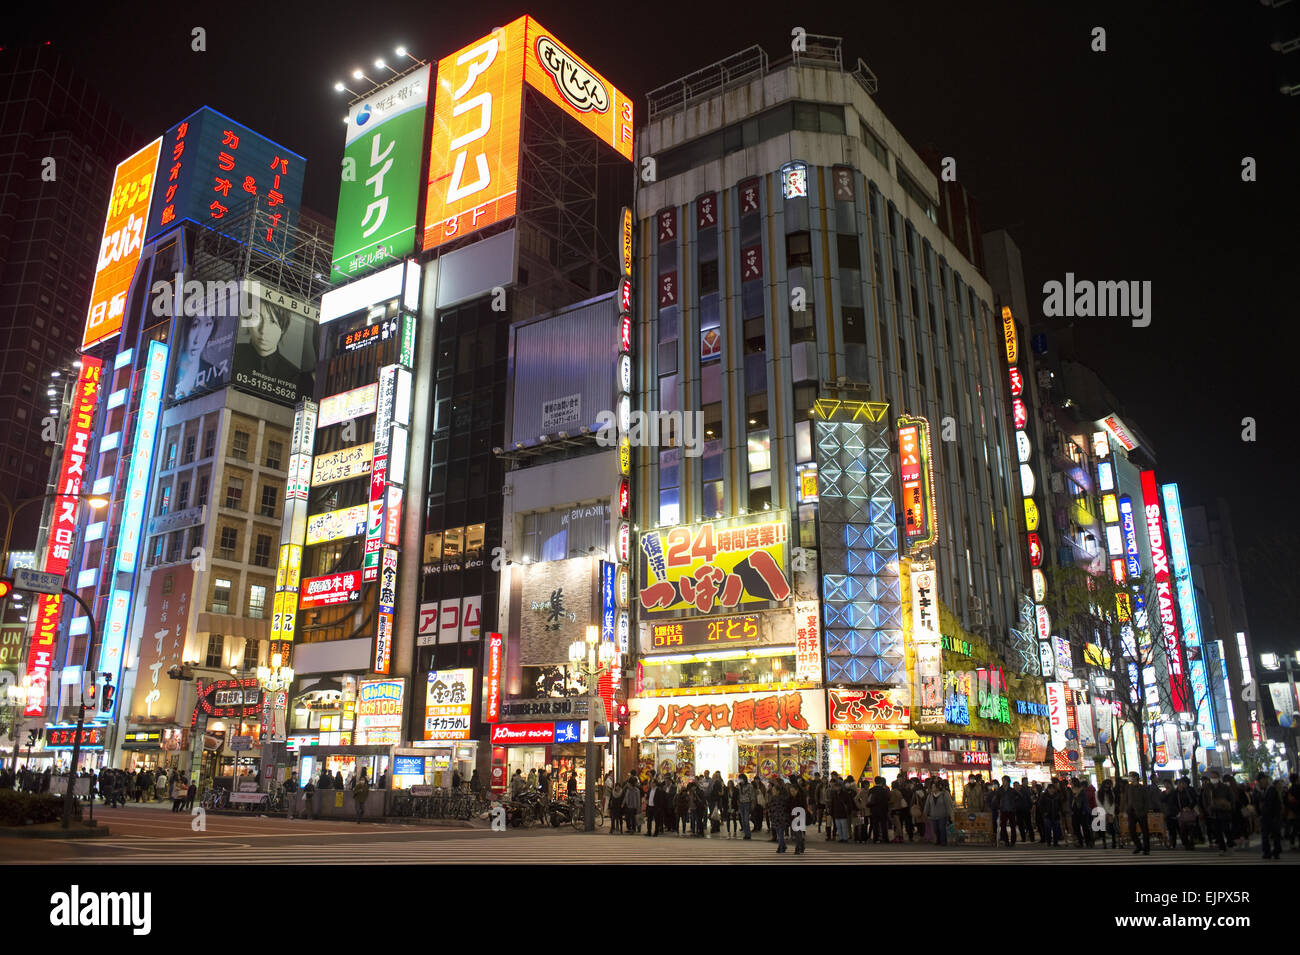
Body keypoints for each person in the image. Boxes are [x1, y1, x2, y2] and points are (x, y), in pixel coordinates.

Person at [1126, 771, 1153, 855]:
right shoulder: (1128, 787)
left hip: (1141, 812)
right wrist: (1126, 809)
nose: (1129, 777)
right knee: (1131, 831)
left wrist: (1145, 811)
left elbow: (1147, 800)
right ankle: (1138, 846)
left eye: (1131, 776)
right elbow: (1126, 799)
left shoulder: (1142, 788)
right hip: (1131, 811)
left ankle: (1146, 848)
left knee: (1145, 831)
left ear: (1135, 777)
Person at [1259, 773, 1283, 860]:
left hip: (1272, 817)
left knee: (1272, 835)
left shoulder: (1271, 790)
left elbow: (1270, 804)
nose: (1261, 783)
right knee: (1268, 835)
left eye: (1262, 780)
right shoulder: (1264, 790)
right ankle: (1269, 852)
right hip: (1268, 817)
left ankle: (1273, 852)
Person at [925, 779, 954, 846]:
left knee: (942, 828)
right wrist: (925, 813)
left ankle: (943, 841)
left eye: (934, 787)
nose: (932, 788)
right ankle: (937, 840)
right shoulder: (930, 795)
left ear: (938, 787)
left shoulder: (944, 794)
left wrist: (950, 815)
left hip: (942, 815)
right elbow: (927, 805)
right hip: (933, 815)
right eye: (932, 787)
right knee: (935, 829)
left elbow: (948, 805)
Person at [767, 776, 791, 853]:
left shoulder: (782, 798)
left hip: (781, 818)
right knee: (779, 833)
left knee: (780, 833)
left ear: (778, 791)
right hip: (775, 818)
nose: (772, 791)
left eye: (774, 790)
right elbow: (770, 808)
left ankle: (780, 847)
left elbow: (785, 808)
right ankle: (783, 846)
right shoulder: (773, 798)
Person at [867, 776, 891, 843]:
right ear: (881, 782)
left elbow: (869, 799)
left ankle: (875, 838)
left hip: (874, 810)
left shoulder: (871, 790)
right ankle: (885, 838)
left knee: (875, 824)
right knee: (884, 824)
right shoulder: (884, 790)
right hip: (883, 809)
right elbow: (888, 799)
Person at [1040, 781, 1063, 847]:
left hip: (1056, 815)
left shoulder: (1057, 796)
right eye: (1050, 788)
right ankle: (1048, 842)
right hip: (1047, 815)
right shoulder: (1044, 796)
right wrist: (1044, 812)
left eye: (1053, 788)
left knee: (1056, 829)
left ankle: (1055, 842)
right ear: (1048, 789)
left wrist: (1060, 811)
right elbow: (1040, 805)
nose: (1052, 790)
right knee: (1048, 829)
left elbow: (1060, 805)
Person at [996, 776, 1017, 848]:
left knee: (1013, 826)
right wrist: (998, 807)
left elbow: (1018, 797)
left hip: (1011, 810)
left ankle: (1013, 841)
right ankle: (1006, 841)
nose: (1003, 782)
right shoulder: (999, 790)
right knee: (1003, 826)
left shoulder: (1012, 790)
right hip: (1003, 810)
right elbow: (996, 799)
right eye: (1003, 781)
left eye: (1004, 781)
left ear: (1008, 781)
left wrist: (1014, 805)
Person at [788, 780, 807, 855]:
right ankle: (801, 846)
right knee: (797, 833)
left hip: (800, 815)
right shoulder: (790, 797)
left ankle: (798, 847)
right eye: (791, 791)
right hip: (793, 816)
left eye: (793, 791)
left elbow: (804, 806)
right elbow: (788, 806)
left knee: (798, 833)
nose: (792, 793)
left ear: (797, 790)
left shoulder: (801, 797)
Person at [1099, 778, 1119, 849]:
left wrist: (1110, 813)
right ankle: (1104, 843)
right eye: (1106, 786)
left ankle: (1114, 842)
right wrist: (1105, 813)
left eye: (1109, 786)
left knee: (1111, 828)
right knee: (1103, 828)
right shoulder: (1098, 793)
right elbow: (1099, 804)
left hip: (1110, 812)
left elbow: (1113, 804)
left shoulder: (1111, 793)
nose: (1107, 788)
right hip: (1102, 812)